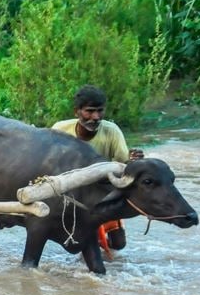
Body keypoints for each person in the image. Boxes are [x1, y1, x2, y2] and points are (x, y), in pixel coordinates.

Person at [51, 84, 144, 257]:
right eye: (89, 111)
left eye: (100, 111)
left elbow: (124, 164)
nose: (95, 117)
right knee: (81, 241)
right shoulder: (59, 130)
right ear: (76, 112)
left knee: (119, 244)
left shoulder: (111, 132)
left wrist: (134, 161)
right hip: (71, 193)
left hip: (101, 192)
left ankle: (98, 244)